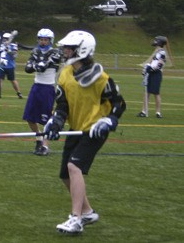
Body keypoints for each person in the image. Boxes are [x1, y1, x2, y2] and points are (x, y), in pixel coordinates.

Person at [44, 30, 126, 234]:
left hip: (95, 130)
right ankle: (87, 212)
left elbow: (119, 103)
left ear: (81, 50)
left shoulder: (101, 78)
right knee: (65, 175)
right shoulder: (65, 72)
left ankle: (76, 219)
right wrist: (56, 122)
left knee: (74, 166)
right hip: (76, 129)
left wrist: (110, 119)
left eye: (68, 48)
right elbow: (62, 104)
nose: (64, 51)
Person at [23, 28, 61, 156]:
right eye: (41, 39)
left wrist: (38, 64)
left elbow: (44, 66)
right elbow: (27, 68)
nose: (43, 42)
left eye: (45, 39)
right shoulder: (36, 51)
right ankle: (39, 139)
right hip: (36, 86)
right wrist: (35, 65)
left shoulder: (55, 52)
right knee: (29, 117)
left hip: (48, 88)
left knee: (47, 119)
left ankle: (45, 146)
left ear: (50, 40)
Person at [137, 36, 168, 118]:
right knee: (147, 92)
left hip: (156, 74)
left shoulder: (162, 52)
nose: (155, 41)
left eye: (157, 40)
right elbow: (152, 62)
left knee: (156, 93)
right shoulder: (157, 52)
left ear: (160, 42)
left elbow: (160, 64)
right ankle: (144, 111)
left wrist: (151, 69)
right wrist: (146, 68)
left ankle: (158, 112)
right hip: (150, 73)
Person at [0, 32, 23, 99]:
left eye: (6, 39)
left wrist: (9, 51)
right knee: (0, 80)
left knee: (13, 80)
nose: (4, 40)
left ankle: (19, 93)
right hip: (2, 65)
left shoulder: (13, 45)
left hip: (10, 66)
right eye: (3, 38)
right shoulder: (1, 46)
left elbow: (15, 56)